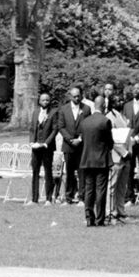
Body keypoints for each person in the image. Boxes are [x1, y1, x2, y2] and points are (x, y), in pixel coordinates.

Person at [77, 94, 115, 228]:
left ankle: (89, 218)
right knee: (101, 190)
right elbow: (110, 143)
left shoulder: (85, 121)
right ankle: (100, 219)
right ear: (104, 106)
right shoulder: (105, 121)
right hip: (101, 160)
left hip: (87, 159)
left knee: (89, 190)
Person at [29, 92, 59, 204]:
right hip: (36, 147)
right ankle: (34, 199)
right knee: (35, 172)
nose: (45, 102)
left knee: (48, 172)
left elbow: (55, 130)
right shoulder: (36, 112)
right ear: (39, 101)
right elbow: (32, 128)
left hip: (47, 147)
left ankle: (48, 198)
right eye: (43, 100)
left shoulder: (54, 112)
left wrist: (46, 143)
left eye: (47, 100)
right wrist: (32, 142)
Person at [58, 87, 86, 205]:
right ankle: (68, 197)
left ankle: (82, 197)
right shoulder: (63, 109)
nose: (77, 98)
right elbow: (61, 127)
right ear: (70, 96)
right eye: (74, 96)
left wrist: (80, 139)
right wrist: (70, 140)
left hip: (81, 145)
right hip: (68, 146)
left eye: (78, 96)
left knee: (82, 172)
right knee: (69, 173)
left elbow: (87, 125)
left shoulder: (86, 108)